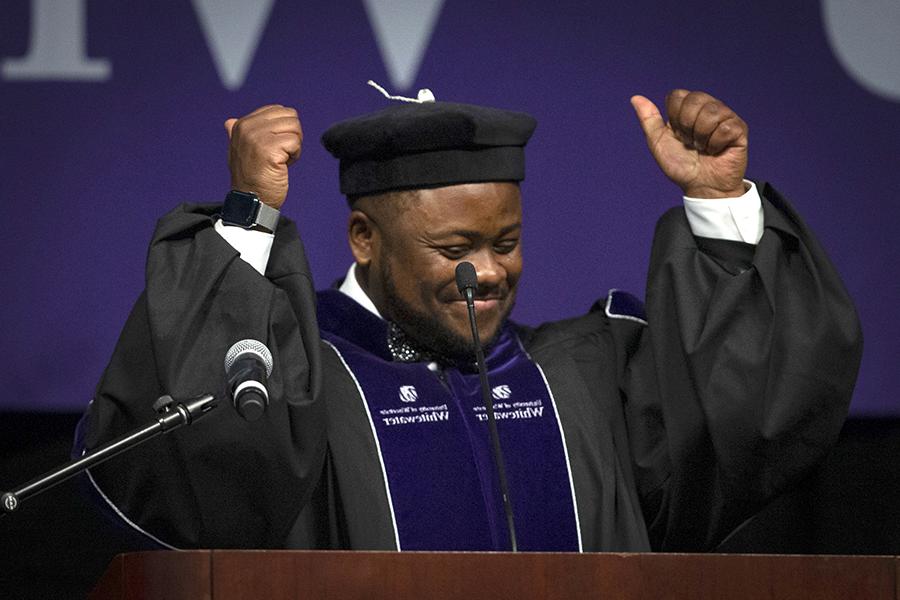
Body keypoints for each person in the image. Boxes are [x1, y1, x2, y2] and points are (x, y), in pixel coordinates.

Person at [78, 89, 862, 552]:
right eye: (455, 248)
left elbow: (748, 420)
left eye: (507, 243)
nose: (488, 272)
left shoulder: (585, 376)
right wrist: (248, 218)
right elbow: (188, 476)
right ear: (364, 239)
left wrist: (721, 205)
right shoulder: (292, 387)